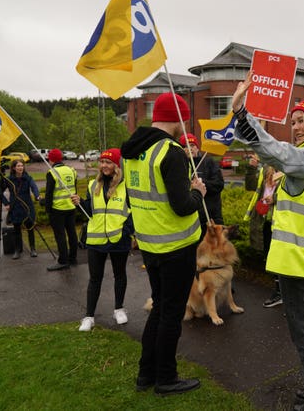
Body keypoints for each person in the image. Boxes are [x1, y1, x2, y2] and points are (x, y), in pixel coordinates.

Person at [232, 71, 304, 411]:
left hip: (296, 261)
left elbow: (272, 148)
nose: (294, 128)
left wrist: (241, 114)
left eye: (301, 121)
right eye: (293, 121)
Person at [121, 92, 206, 396]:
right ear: (178, 117)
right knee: (170, 313)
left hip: (150, 245)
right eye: (186, 117)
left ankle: (146, 374)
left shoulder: (132, 150)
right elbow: (183, 206)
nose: (188, 124)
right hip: (176, 247)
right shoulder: (171, 152)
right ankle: (166, 378)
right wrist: (199, 192)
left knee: (159, 308)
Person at [71, 149, 133, 332]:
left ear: (116, 166)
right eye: (102, 162)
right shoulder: (93, 185)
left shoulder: (125, 186)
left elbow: (134, 212)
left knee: (120, 275)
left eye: (108, 162)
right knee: (94, 279)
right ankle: (89, 316)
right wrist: (80, 203)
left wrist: (126, 230)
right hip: (96, 239)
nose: (104, 166)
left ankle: (119, 309)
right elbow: (91, 211)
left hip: (119, 239)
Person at [244, 154, 284, 307]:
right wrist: (251, 168)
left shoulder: (285, 174)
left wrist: (275, 198)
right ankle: (279, 290)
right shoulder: (264, 171)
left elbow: (294, 196)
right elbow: (250, 186)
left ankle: (281, 292)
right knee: (270, 257)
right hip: (264, 221)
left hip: (279, 223)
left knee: (279, 258)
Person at [179, 132, 225, 239]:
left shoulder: (208, 162)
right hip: (191, 219)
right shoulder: (180, 165)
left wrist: (201, 183)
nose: (190, 149)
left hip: (211, 217)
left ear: (197, 148)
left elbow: (219, 185)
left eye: (192, 145)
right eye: (186, 146)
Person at [0, 159, 41, 259]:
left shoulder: (28, 178)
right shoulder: (8, 180)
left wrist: (37, 196)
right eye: (18, 166)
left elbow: (34, 187)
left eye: (22, 166)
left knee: (30, 228)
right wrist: (6, 203)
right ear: (14, 168)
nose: (21, 167)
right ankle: (17, 250)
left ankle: (33, 249)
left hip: (27, 206)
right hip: (15, 207)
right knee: (17, 230)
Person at [44, 148, 78, 271]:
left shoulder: (52, 172)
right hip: (71, 207)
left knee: (60, 235)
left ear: (51, 159)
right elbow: (75, 188)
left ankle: (63, 261)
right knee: (72, 233)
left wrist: (47, 210)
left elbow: (49, 194)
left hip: (57, 209)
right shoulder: (72, 170)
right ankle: (73, 258)